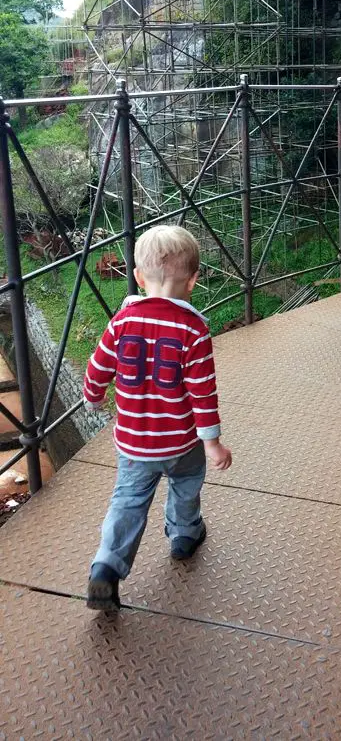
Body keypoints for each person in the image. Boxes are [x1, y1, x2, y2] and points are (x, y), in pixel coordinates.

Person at [84, 225, 232, 611]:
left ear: (137, 277)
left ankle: (107, 565)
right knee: (185, 483)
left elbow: (97, 368)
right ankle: (184, 535)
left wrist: (92, 399)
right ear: (194, 280)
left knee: (128, 500)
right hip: (181, 441)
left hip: (134, 441)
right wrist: (212, 442)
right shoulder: (194, 330)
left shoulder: (122, 323)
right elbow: (203, 392)